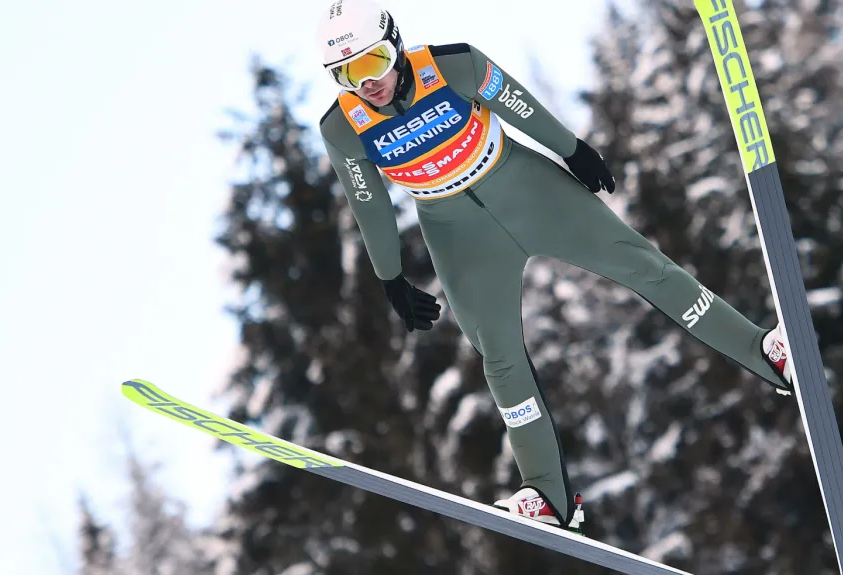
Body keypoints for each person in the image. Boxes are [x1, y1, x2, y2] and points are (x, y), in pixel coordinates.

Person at [314, 0, 794, 534]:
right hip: (456, 233)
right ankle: (546, 493)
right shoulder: (343, 126)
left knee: (645, 268)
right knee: (497, 356)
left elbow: (519, 105)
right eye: (347, 74)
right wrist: (389, 276)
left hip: (526, 188)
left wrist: (573, 150)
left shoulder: (452, 65)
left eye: (373, 62)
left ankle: (765, 353)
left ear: (395, 44)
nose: (367, 82)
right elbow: (369, 203)